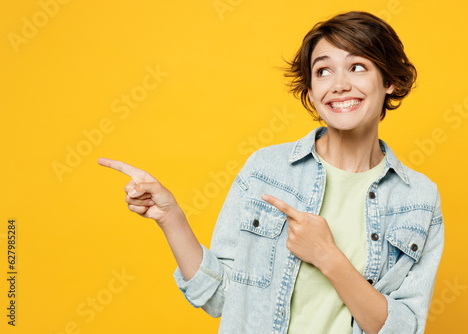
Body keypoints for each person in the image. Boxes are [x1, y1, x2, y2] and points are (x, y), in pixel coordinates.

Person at [98, 11, 444, 334]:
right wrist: (171, 217)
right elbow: (219, 297)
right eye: (323, 71)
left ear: (390, 82)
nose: (338, 84)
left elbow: (403, 327)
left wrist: (328, 256)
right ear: (311, 90)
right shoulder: (268, 170)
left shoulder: (418, 198)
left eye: (357, 67)